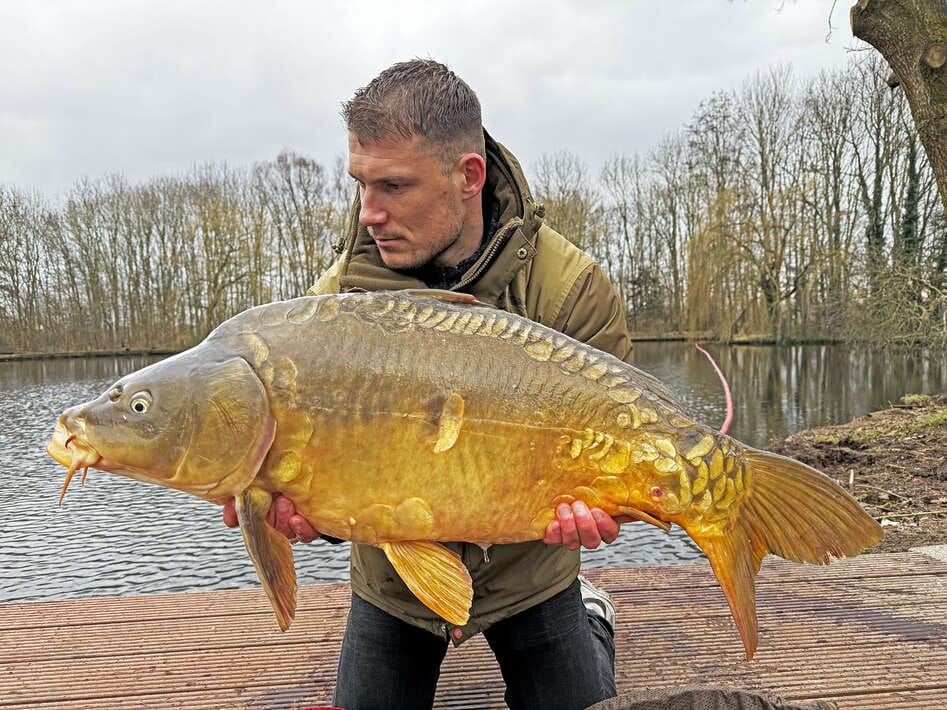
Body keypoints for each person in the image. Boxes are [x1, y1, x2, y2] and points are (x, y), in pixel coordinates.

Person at [223, 58, 635, 710]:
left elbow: (622, 455)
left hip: (530, 569)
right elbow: (326, 473)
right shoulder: (333, 307)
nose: (367, 214)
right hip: (394, 580)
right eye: (360, 184)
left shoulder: (569, 290)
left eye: (392, 186)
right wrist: (313, 517)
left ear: (467, 176)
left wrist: (606, 511)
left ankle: (590, 619)